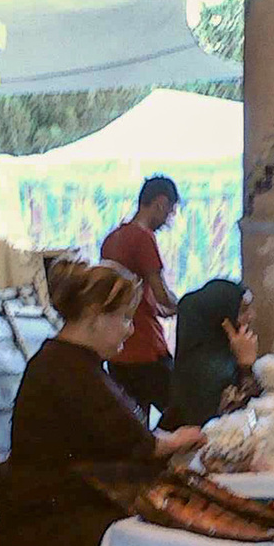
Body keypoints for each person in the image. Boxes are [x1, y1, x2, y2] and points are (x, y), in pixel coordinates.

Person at [0, 261, 203, 546]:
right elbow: (139, 444)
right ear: (94, 315)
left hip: (61, 506)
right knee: (172, 537)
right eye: (123, 318)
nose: (130, 330)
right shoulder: (68, 371)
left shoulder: (70, 362)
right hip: (49, 523)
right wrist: (181, 439)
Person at [99, 176, 182, 414]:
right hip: (145, 347)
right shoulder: (143, 237)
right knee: (180, 413)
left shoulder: (112, 238)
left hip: (117, 349)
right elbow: (161, 293)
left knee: (134, 423)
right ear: (160, 203)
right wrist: (187, 306)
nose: (167, 221)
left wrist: (159, 307)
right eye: (169, 211)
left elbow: (134, 293)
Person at [162, 278, 262, 428]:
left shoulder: (221, 353)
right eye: (242, 311)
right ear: (222, 319)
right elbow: (235, 413)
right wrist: (246, 365)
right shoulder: (205, 368)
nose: (251, 316)